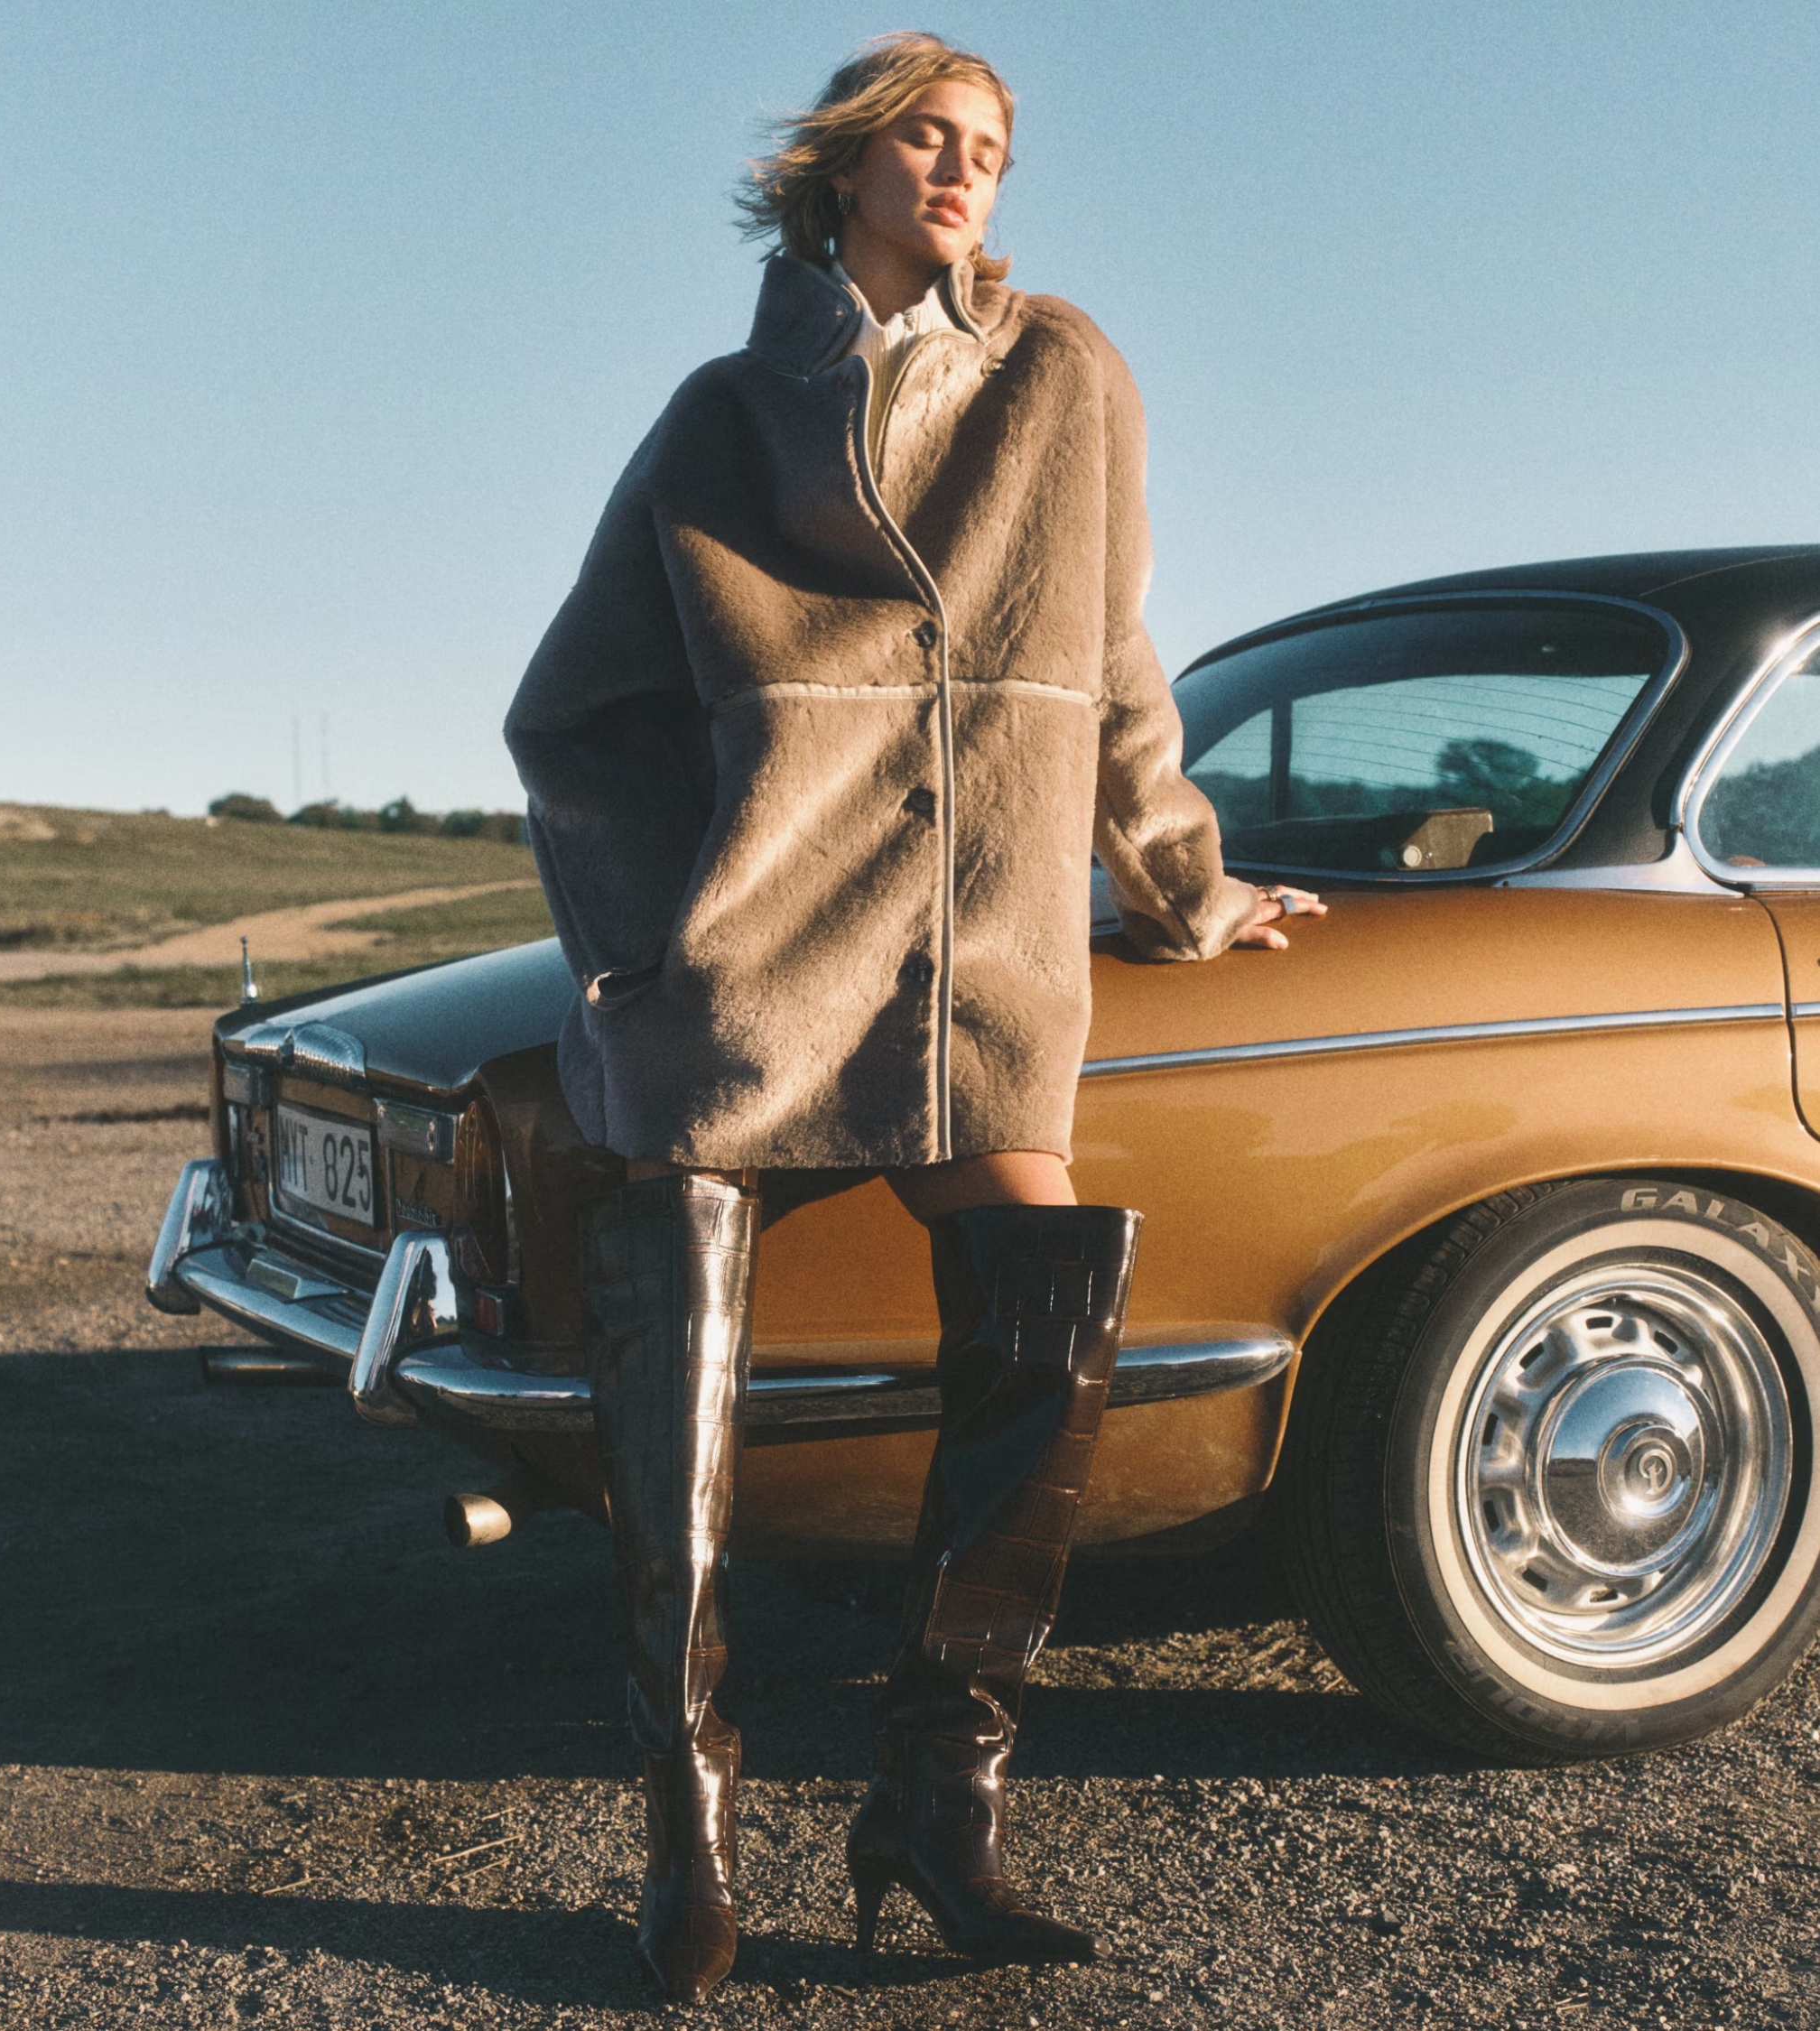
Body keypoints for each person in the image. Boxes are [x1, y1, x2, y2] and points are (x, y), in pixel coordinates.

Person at [505, 31, 1324, 2005]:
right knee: (679, 1350)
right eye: (928, 142)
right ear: (844, 169)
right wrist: (639, 947)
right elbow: (575, 715)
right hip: (759, 948)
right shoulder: (721, 417)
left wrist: (1185, 878)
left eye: (990, 149)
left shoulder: (1068, 375)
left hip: (981, 947)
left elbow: (1116, 651)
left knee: (1048, 1291)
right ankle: (686, 1818)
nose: (964, 173)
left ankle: (936, 1806)